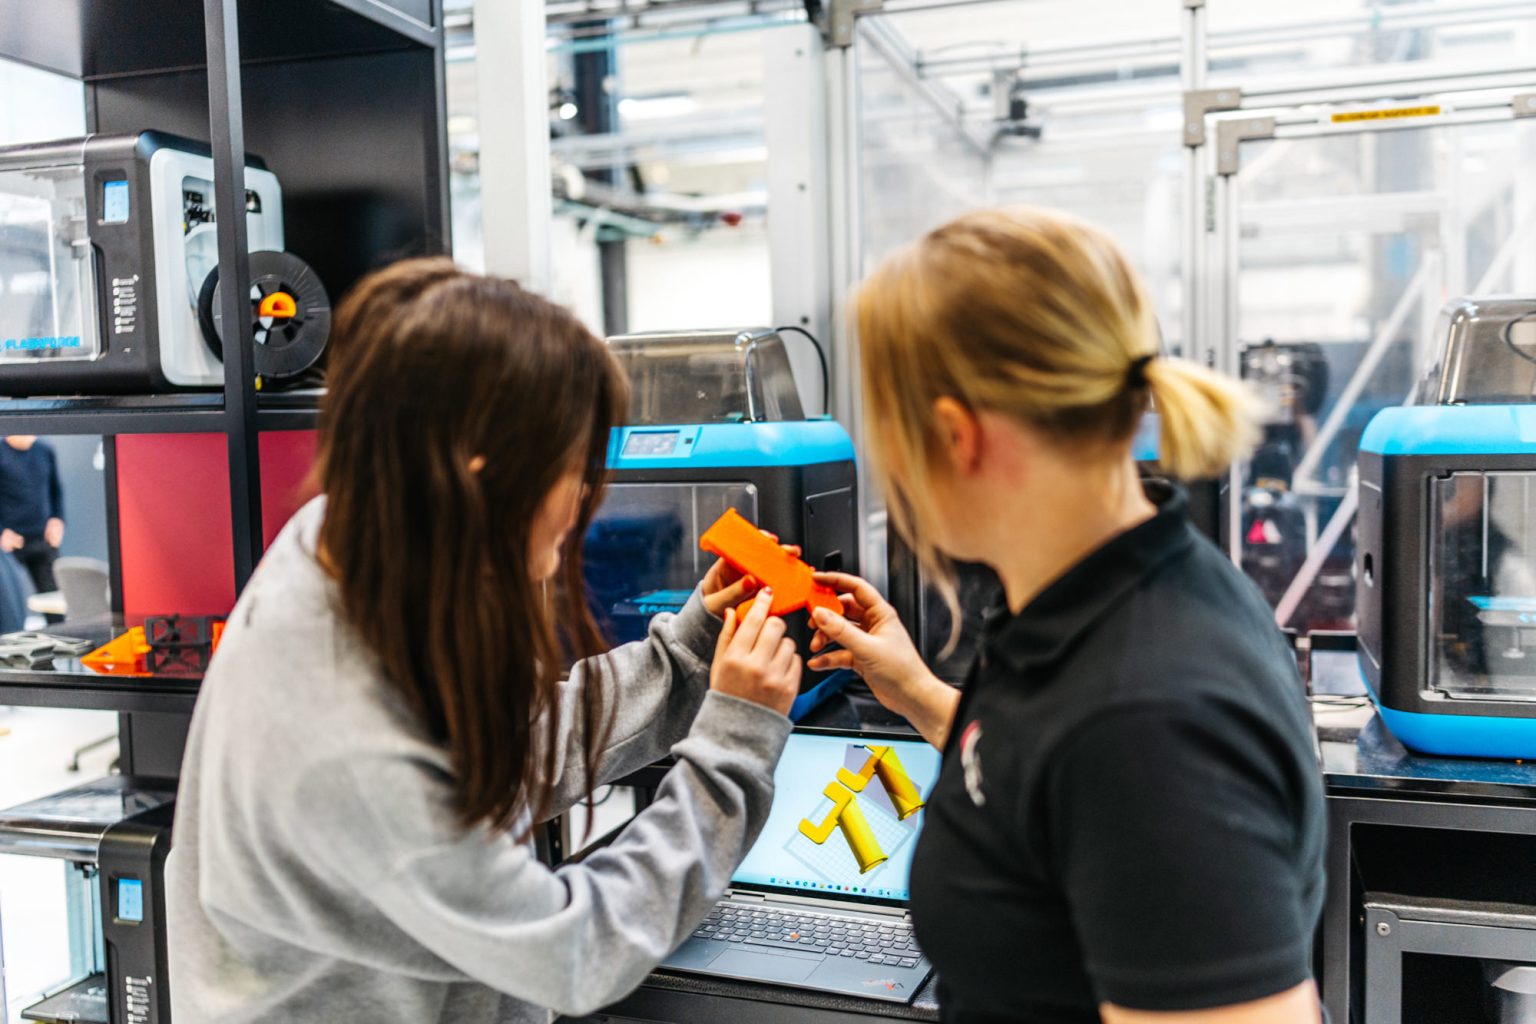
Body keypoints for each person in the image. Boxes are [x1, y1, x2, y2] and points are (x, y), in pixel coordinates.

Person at [166, 258, 804, 1023]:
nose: (582, 498)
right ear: (480, 467)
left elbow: (497, 752)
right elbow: (577, 950)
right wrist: (735, 744)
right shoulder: (348, 736)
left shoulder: (347, 541)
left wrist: (691, 654)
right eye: (572, 466)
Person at [807, 207, 1326, 1024]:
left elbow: (1106, 764)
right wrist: (912, 690)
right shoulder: (1099, 598)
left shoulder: (1150, 719)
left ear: (954, 436)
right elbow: (1046, 783)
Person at [0, 434, 65, 593]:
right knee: (9, 603)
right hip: (10, 543)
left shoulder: (45, 450)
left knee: (54, 601)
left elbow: (55, 490)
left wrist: (58, 520)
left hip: (43, 539)